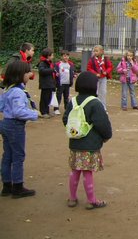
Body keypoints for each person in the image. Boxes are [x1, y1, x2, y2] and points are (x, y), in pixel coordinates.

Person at [63, 71, 112, 210]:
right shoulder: (95, 103)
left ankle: (72, 198)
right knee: (87, 172)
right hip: (90, 144)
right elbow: (102, 123)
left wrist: (74, 131)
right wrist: (107, 136)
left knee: (74, 170)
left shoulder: (72, 101)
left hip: (75, 142)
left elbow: (66, 119)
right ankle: (92, 200)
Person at [0, 61, 39, 198]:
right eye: (27, 72)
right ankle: (17, 187)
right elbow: (18, 112)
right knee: (18, 156)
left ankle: (6, 186)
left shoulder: (8, 89)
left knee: (8, 155)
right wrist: (34, 114)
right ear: (20, 75)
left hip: (6, 123)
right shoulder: (18, 91)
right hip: (15, 126)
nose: (30, 74)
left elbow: (2, 106)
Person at [86, 45, 113, 111]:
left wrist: (106, 72)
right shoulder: (92, 60)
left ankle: (103, 106)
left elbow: (110, 66)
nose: (95, 52)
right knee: (96, 92)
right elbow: (89, 68)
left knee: (103, 92)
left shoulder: (106, 59)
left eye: (97, 51)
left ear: (101, 51)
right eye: (94, 51)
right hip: (95, 78)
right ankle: (95, 106)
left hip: (103, 78)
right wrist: (95, 73)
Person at [37, 48, 56, 119]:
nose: (53, 56)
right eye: (52, 55)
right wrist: (52, 70)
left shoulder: (50, 63)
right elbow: (42, 71)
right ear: (48, 56)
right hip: (45, 84)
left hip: (50, 84)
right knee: (44, 98)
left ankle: (47, 111)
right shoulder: (42, 63)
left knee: (48, 98)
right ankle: (43, 112)